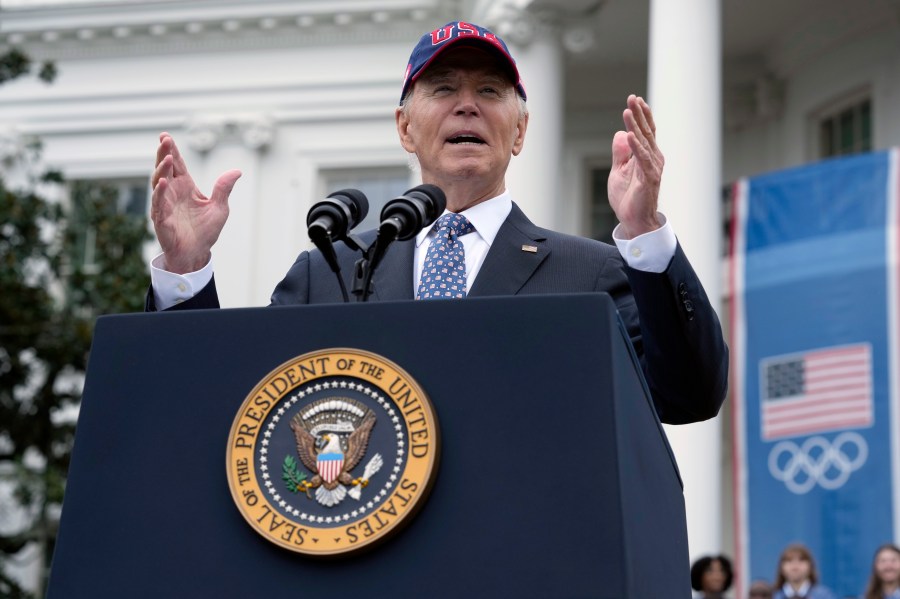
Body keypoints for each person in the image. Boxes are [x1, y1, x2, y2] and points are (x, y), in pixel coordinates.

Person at [147, 20, 728, 425]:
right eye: (444, 88)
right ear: (405, 128)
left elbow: (688, 397)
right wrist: (186, 269)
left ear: (520, 131)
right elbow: (222, 406)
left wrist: (645, 231)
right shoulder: (328, 271)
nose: (467, 104)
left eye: (490, 91)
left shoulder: (592, 271)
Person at [772, 543, 836, 599]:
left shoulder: (824, 596)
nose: (795, 565)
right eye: (789, 560)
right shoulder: (772, 596)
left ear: (810, 566)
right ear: (781, 567)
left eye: (801, 560)